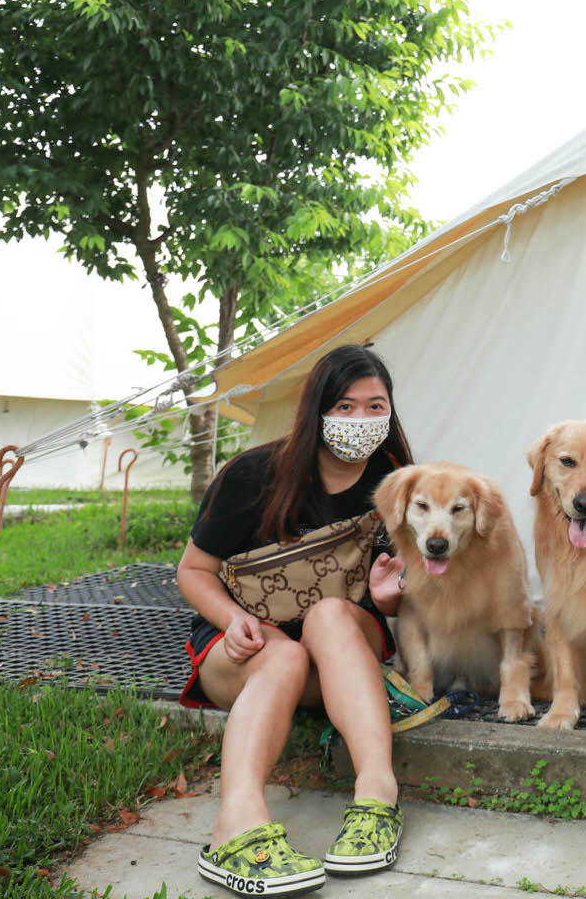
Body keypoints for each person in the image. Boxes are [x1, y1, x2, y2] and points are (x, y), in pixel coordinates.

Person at [176, 344, 413, 897]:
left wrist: (390, 597)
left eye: (376, 407)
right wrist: (232, 620)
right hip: (249, 653)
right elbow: (193, 572)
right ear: (317, 411)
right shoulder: (255, 475)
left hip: (340, 649)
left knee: (331, 613)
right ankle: (235, 823)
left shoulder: (396, 480)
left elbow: (397, 599)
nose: (361, 421)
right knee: (281, 654)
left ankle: (378, 796)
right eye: (346, 406)